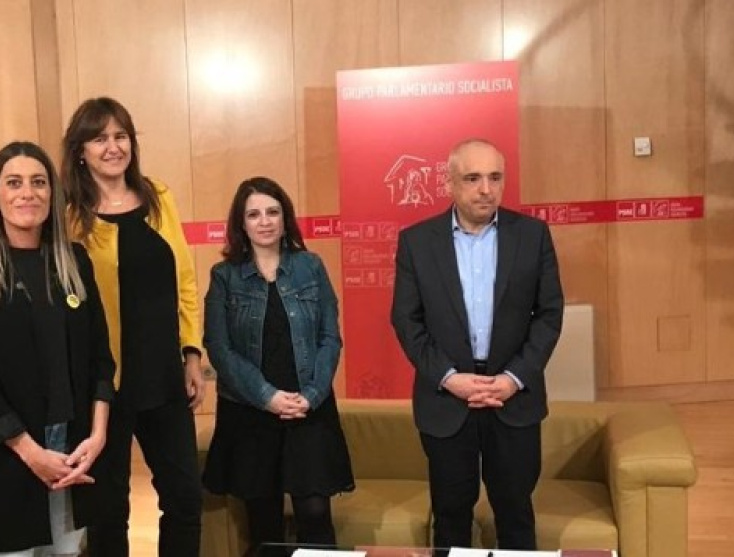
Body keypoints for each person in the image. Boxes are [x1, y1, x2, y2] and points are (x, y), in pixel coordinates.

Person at [0, 141, 115, 556]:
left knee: (68, 552)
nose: (27, 193)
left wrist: (98, 435)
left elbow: (100, 359)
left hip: (75, 447)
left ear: (52, 194)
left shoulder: (75, 263)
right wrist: (31, 453)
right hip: (11, 452)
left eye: (39, 182)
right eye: (14, 183)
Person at [390, 138, 564, 550]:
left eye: (495, 177)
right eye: (472, 178)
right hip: (447, 399)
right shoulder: (417, 242)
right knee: (451, 516)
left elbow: (549, 315)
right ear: (449, 183)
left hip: (513, 399)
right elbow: (407, 321)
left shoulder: (533, 235)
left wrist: (513, 378)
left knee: (516, 513)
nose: (486, 189)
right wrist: (449, 378)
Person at [60, 97, 205, 557]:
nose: (113, 147)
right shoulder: (69, 216)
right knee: (107, 512)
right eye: (99, 138)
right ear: (80, 151)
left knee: (184, 499)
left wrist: (192, 353)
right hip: (104, 385)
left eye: (120, 136)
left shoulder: (158, 197)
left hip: (163, 376)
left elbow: (185, 279)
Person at [202, 176, 355, 550]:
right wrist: (266, 396)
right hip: (251, 411)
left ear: (285, 219)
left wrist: (313, 394)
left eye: (273, 212)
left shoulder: (310, 266)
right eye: (254, 214)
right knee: (263, 521)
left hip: (308, 407)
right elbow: (219, 348)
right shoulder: (224, 276)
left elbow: (330, 338)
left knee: (315, 512)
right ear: (241, 224)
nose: (265, 221)